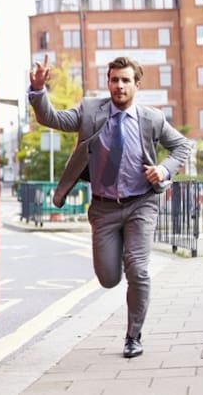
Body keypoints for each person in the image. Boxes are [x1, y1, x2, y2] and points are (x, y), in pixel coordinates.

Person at [27, 55, 193, 358]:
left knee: (138, 270)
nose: (119, 86)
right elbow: (53, 119)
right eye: (114, 80)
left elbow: (182, 146)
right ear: (108, 82)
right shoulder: (91, 111)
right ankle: (116, 271)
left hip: (141, 203)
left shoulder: (152, 119)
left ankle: (133, 337)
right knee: (108, 278)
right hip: (104, 209)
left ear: (137, 85)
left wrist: (164, 169)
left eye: (126, 80)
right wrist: (39, 91)